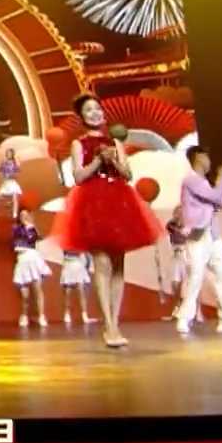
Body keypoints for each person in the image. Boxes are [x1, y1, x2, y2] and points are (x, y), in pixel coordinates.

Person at [56, 94, 165, 348]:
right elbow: (78, 177)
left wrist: (113, 158)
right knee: (102, 264)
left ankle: (115, 322)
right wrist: (98, 160)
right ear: (82, 117)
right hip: (93, 203)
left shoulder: (115, 142)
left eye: (97, 108)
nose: (95, 113)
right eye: (89, 110)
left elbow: (127, 174)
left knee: (118, 266)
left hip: (119, 202)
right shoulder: (79, 144)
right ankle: (108, 325)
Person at [173, 147, 222, 336]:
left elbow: (221, 201)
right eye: (206, 156)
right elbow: (215, 196)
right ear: (198, 158)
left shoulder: (205, 182)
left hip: (212, 233)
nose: (209, 160)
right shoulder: (191, 180)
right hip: (198, 234)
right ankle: (184, 317)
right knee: (195, 276)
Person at [10, 203, 51, 328]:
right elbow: (14, 243)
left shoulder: (33, 228)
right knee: (25, 295)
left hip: (33, 259)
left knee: (38, 289)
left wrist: (32, 227)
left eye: (26, 215)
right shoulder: (17, 229)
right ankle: (24, 315)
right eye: (22, 215)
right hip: (22, 260)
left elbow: (37, 238)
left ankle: (41, 315)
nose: (24, 217)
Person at [59, 249, 93, 325]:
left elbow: (87, 255)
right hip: (69, 265)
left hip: (76, 265)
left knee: (80, 291)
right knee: (68, 292)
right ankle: (67, 314)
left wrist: (87, 266)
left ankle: (84, 315)